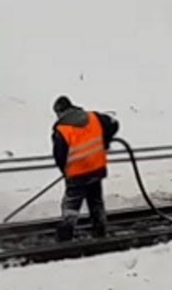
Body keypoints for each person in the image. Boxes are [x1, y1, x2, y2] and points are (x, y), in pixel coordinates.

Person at [51, 95, 120, 242]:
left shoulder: (62, 129)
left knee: (71, 205)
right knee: (95, 201)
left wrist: (66, 172)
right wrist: (105, 141)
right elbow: (114, 124)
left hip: (77, 174)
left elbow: (59, 156)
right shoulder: (94, 117)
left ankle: (65, 236)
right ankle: (100, 231)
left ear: (60, 112)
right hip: (96, 169)